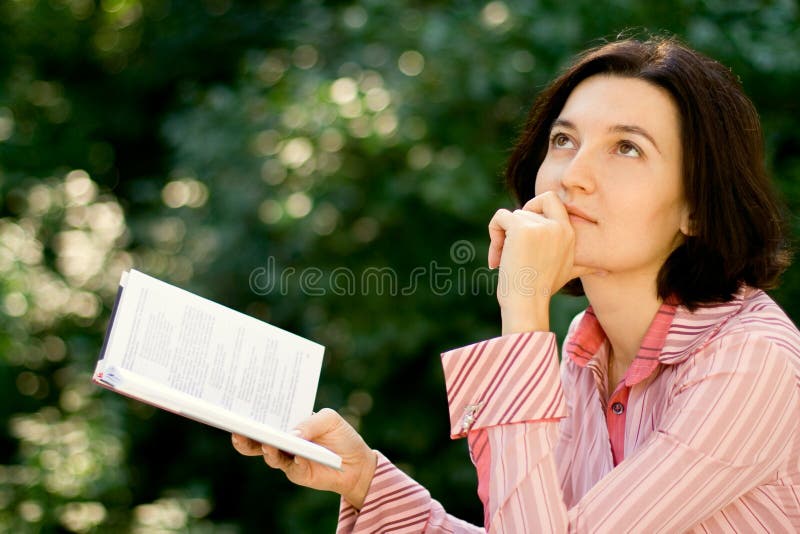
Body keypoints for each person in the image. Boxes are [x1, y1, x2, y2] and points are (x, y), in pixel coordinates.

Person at [232, 35, 800, 532]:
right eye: (564, 141)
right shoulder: (587, 351)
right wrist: (364, 481)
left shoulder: (752, 363)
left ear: (697, 208)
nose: (574, 175)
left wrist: (523, 304)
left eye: (626, 148)